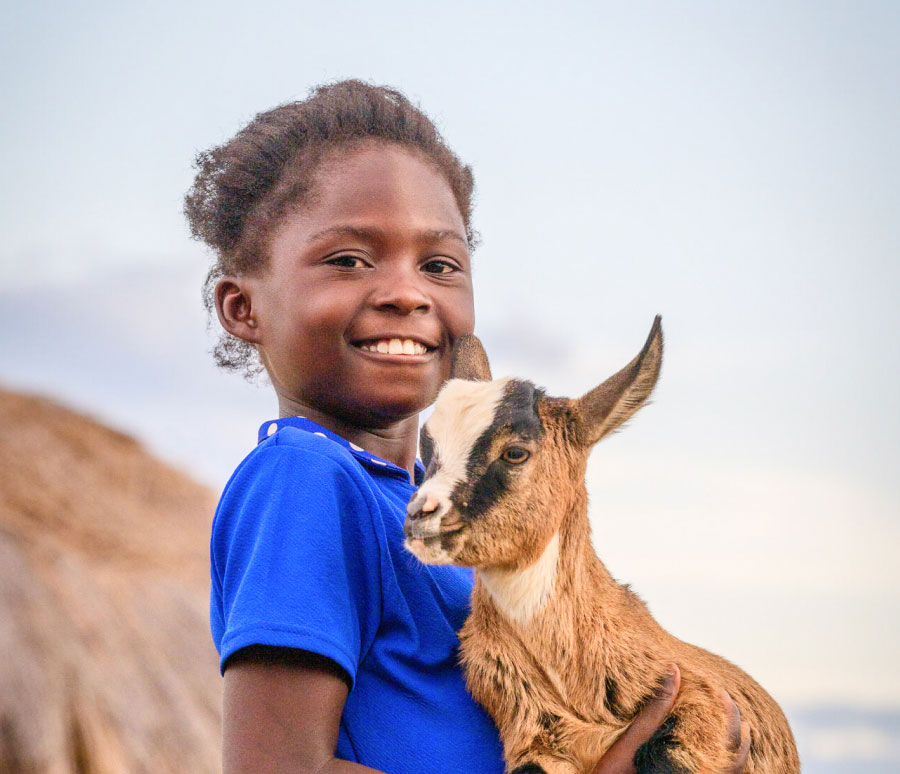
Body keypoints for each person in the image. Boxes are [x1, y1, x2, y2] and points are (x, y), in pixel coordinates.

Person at [185, 80, 750, 774]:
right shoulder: (304, 479)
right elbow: (278, 769)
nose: (407, 292)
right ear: (243, 309)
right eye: (349, 261)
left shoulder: (445, 519)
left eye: (439, 266)